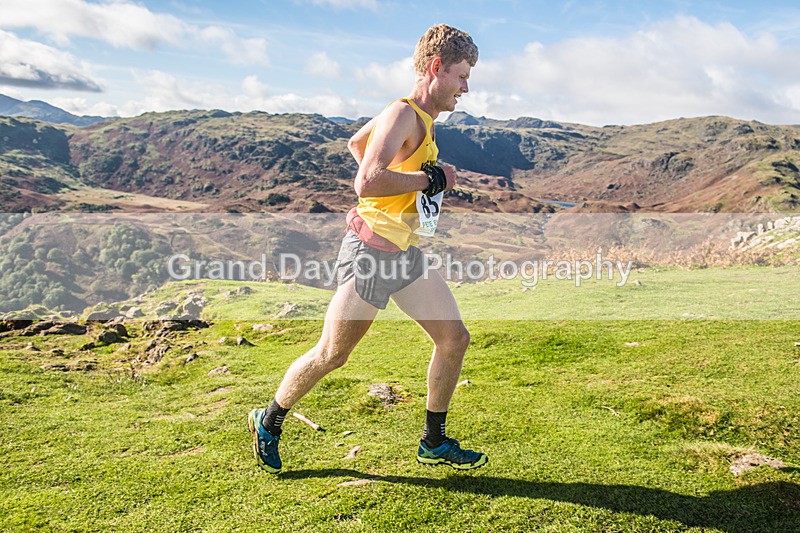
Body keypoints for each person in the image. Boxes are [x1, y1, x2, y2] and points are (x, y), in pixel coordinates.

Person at [248, 24, 487, 473]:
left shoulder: (419, 118)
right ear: (436, 68)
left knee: (454, 339)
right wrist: (429, 179)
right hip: (371, 253)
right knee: (332, 355)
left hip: (404, 254)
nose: (466, 87)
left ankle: (433, 442)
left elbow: (357, 144)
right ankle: (269, 419)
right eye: (461, 76)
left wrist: (412, 186)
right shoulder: (403, 113)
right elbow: (368, 180)